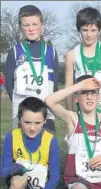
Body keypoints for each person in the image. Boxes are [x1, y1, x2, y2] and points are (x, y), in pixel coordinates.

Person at [1, 97, 63, 189]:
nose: (32, 128)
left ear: (45, 121)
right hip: (21, 186)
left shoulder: (51, 140)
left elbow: (55, 177)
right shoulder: (12, 136)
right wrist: (12, 168)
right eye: (27, 122)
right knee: (18, 180)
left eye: (37, 123)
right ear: (19, 119)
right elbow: (3, 171)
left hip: (43, 187)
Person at [5, 5, 59, 133]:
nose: (31, 29)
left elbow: (55, 83)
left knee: (46, 148)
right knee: (23, 150)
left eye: (35, 24)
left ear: (42, 26)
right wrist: (23, 107)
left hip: (46, 112)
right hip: (23, 114)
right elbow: (9, 83)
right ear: (20, 27)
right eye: (26, 25)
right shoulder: (14, 52)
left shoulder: (51, 52)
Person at [64, 7, 101, 129]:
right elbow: (68, 87)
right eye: (85, 30)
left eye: (93, 30)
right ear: (79, 30)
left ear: (99, 29)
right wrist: (70, 113)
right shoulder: (72, 55)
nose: (89, 35)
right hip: (84, 112)